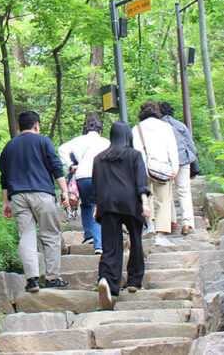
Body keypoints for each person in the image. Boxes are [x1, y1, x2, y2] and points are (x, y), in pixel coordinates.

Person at [0, 110, 71, 293]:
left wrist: (5, 202)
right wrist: (65, 191)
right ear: (37, 125)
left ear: (19, 127)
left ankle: (32, 279)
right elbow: (56, 167)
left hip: (18, 197)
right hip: (43, 194)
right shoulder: (44, 141)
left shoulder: (9, 147)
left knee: (26, 237)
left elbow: (4, 177)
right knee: (50, 234)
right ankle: (52, 278)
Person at [92, 120, 151, 310]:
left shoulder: (99, 158)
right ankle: (134, 280)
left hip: (108, 204)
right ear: (128, 136)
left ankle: (107, 280)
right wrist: (146, 203)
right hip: (130, 202)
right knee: (136, 240)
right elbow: (141, 181)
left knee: (110, 244)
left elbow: (96, 186)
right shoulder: (134, 155)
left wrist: (95, 207)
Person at [58, 116, 110, 253]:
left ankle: (89, 235)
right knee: (100, 207)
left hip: (82, 176)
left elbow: (62, 149)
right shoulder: (105, 142)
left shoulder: (78, 140)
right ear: (100, 131)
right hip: (101, 176)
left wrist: (70, 165)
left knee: (86, 204)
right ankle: (99, 245)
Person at [132, 101, 180, 243]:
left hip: (143, 168)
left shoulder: (137, 129)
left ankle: (150, 225)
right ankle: (160, 234)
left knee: (148, 197)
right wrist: (175, 168)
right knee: (164, 200)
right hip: (163, 168)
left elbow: (135, 150)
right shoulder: (165, 127)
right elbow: (172, 148)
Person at [159, 101, 199, 235]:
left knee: (167, 191)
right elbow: (192, 147)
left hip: (166, 162)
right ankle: (187, 223)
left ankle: (171, 221)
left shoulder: (159, 126)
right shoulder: (180, 125)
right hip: (183, 160)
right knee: (184, 191)